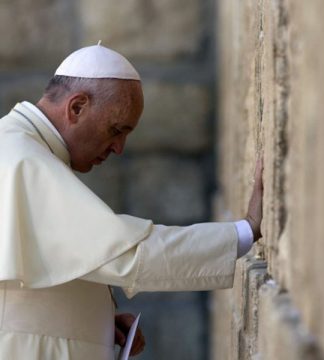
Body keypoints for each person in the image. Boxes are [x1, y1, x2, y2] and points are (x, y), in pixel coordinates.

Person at [0, 44, 263, 359]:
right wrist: (246, 231)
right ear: (77, 107)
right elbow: (128, 254)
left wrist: (91, 320)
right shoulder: (23, 161)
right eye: (115, 130)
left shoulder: (17, 148)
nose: (118, 148)